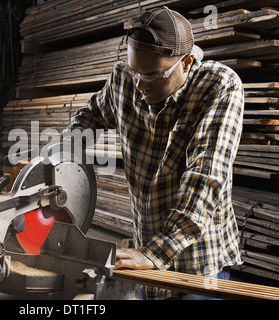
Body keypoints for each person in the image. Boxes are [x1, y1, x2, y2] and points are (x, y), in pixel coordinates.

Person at [66, 6, 244, 299]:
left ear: (186, 62)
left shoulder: (219, 86)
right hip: (146, 259)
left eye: (152, 76)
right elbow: (91, 117)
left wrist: (154, 253)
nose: (138, 85)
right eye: (134, 71)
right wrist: (59, 159)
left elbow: (205, 176)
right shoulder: (126, 79)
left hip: (198, 264)